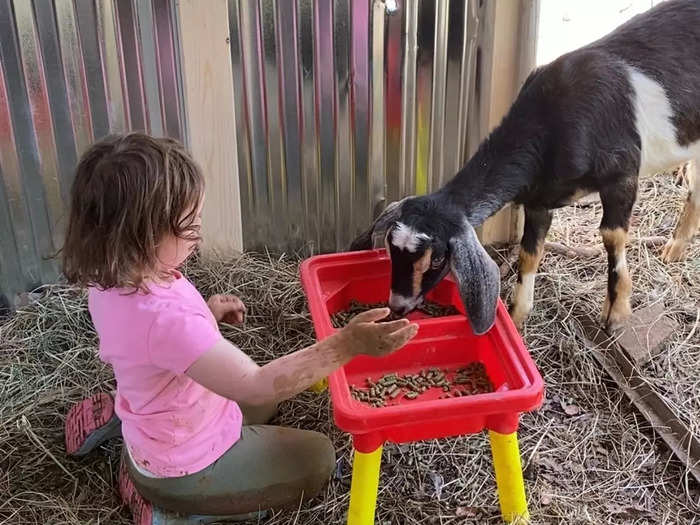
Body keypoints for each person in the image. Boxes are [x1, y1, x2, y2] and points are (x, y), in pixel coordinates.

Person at [61, 133, 418, 524]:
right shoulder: (167, 322)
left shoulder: (108, 278)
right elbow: (254, 383)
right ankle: (173, 508)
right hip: (184, 465)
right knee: (318, 458)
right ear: (142, 237)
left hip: (158, 420)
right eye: (188, 228)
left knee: (266, 404)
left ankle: (134, 453)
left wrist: (207, 316)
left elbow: (151, 344)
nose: (198, 230)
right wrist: (346, 344)